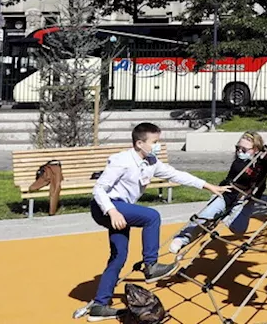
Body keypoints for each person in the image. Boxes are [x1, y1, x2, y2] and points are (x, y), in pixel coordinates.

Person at [86, 123, 229, 322]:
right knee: (152, 217)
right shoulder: (122, 161)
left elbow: (176, 174)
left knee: (119, 256)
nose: (158, 145)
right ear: (139, 143)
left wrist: (207, 186)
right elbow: (99, 189)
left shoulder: (151, 162)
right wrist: (111, 211)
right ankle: (151, 266)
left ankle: (100, 306)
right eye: (154, 142)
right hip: (106, 207)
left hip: (121, 209)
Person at [167, 131, 267, 255]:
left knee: (239, 229)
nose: (240, 152)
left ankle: (224, 215)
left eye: (245, 149)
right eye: (238, 148)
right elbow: (244, 172)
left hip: (245, 200)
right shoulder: (239, 162)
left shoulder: (262, 164)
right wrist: (261, 160)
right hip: (227, 194)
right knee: (203, 217)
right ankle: (181, 239)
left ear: (256, 150)